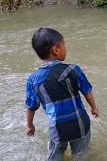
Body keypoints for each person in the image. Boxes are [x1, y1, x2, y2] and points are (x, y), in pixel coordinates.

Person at [25, 28, 99, 160]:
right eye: (64, 46)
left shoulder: (33, 80)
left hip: (58, 128)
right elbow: (87, 91)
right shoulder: (73, 70)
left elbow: (31, 106)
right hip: (79, 123)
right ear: (56, 50)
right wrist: (94, 107)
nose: (66, 49)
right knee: (81, 154)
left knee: (55, 155)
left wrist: (30, 125)